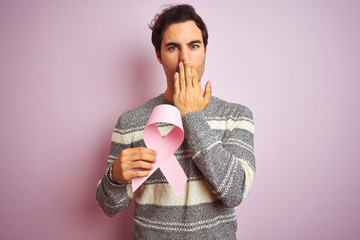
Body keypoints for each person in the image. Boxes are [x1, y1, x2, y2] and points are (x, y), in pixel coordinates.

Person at [96, 4, 255, 239]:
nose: (185, 58)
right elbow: (110, 207)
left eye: (193, 46)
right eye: (173, 47)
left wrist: (192, 116)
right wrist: (113, 177)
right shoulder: (130, 123)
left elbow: (235, 192)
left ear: (205, 50)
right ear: (159, 55)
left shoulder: (236, 116)